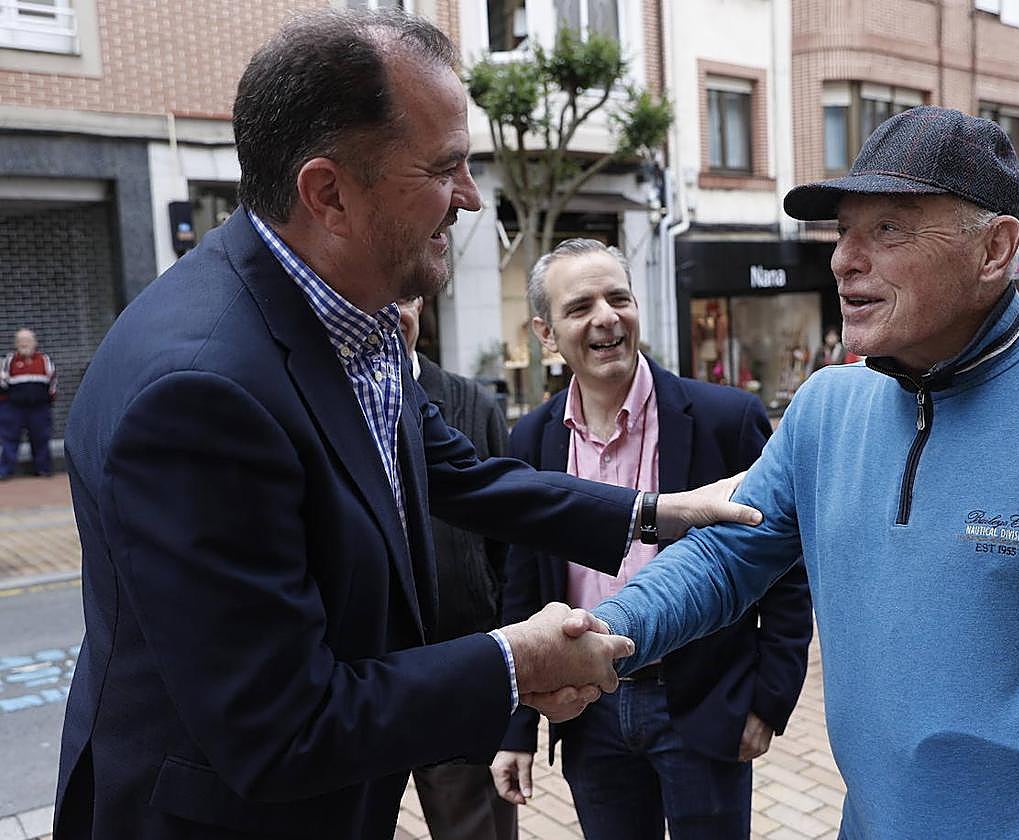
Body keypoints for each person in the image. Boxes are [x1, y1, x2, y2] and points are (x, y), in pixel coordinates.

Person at [53, 10, 760, 840]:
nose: (467, 198)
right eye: (445, 168)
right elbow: (280, 727)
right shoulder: (199, 395)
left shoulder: (350, 313)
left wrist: (658, 510)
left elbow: (459, 473)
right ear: (329, 194)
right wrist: (516, 662)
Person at [590, 105, 1019, 838]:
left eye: (888, 229)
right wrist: (609, 631)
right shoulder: (823, 409)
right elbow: (725, 558)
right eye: (844, 230)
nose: (845, 259)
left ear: (995, 250)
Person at [490, 240, 812, 839]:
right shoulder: (532, 440)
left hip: (703, 703)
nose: (606, 317)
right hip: (588, 709)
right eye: (580, 306)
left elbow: (784, 564)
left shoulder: (725, 418)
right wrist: (517, 731)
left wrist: (769, 699)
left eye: (619, 297)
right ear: (546, 333)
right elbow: (522, 585)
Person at [399, 297, 517, 840]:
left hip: (461, 658)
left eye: (402, 298)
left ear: (421, 303)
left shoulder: (470, 403)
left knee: (476, 827)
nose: (391, 312)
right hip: (359, 673)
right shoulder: (325, 400)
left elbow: (506, 535)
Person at [0, 328, 56, 479]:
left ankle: (43, 469)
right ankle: (5, 471)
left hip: (39, 408)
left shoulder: (44, 360)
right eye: (21, 341)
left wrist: (47, 402)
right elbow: (2, 384)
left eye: (28, 340)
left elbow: (52, 383)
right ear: (16, 344)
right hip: (14, 408)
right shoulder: (9, 360)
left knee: (41, 439)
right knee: (9, 440)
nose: (24, 344)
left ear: (35, 342)